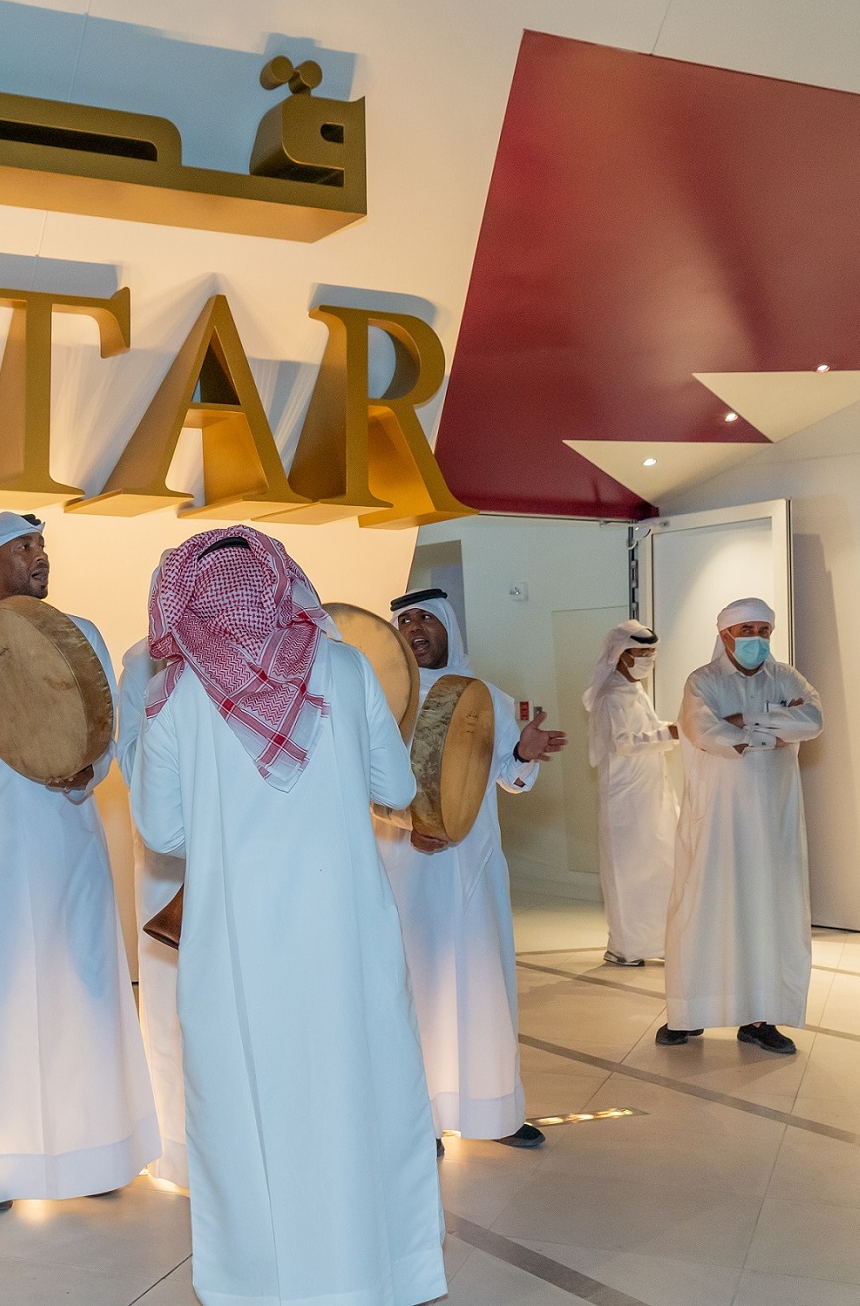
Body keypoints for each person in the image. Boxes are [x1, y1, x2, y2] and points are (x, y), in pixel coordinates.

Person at [134, 526, 444, 1306]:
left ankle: (260, 1286)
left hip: (237, 954)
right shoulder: (342, 665)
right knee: (357, 1095)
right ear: (279, 581)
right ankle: (374, 1275)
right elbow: (398, 790)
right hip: (345, 941)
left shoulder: (175, 697)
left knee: (248, 1111)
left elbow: (163, 832)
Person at [0, 512, 158, 1211]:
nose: (39, 557)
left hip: (66, 849)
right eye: (23, 548)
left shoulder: (79, 634)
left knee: (79, 995)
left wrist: (87, 772)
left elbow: (103, 735)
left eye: (41, 545)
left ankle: (96, 1150)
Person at [374, 588, 563, 1148]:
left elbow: (511, 776)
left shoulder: (488, 697)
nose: (415, 629)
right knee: (416, 988)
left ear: (449, 627)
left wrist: (524, 753)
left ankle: (491, 1110)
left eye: (426, 618)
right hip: (403, 866)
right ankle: (419, 1119)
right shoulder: (384, 698)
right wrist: (414, 827)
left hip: (473, 869)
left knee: (483, 985)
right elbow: (364, 782)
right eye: (404, 621)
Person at [658, 598, 822, 1056]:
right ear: (725, 634)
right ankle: (689, 1015)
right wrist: (774, 726)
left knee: (768, 916)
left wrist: (746, 723)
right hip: (716, 822)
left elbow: (812, 720)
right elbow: (706, 731)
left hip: (774, 823)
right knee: (704, 912)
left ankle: (760, 1018)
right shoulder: (702, 681)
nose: (756, 639)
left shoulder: (787, 677)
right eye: (746, 629)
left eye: (764, 630)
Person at [117, 632, 188, 1188]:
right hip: (169, 864)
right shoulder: (141, 667)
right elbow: (130, 760)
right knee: (170, 1007)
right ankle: (179, 1152)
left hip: (241, 854)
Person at [583, 620, 678, 967]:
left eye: (651, 653)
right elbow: (624, 744)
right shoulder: (610, 697)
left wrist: (670, 730)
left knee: (657, 869)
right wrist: (672, 733)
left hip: (649, 795)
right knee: (628, 875)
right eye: (641, 653)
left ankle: (657, 942)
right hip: (625, 802)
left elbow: (647, 732)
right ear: (621, 656)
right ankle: (624, 947)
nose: (647, 659)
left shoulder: (634, 691)